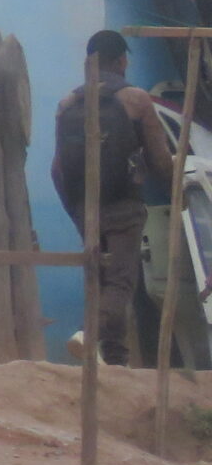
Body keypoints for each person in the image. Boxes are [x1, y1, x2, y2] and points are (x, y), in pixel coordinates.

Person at [51, 30, 173, 365]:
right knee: (121, 281)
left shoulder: (67, 104)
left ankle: (113, 358)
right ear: (122, 60)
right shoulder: (136, 99)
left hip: (86, 209)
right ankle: (87, 333)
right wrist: (178, 190)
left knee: (101, 280)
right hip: (124, 206)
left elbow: (57, 170)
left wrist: (76, 212)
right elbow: (160, 161)